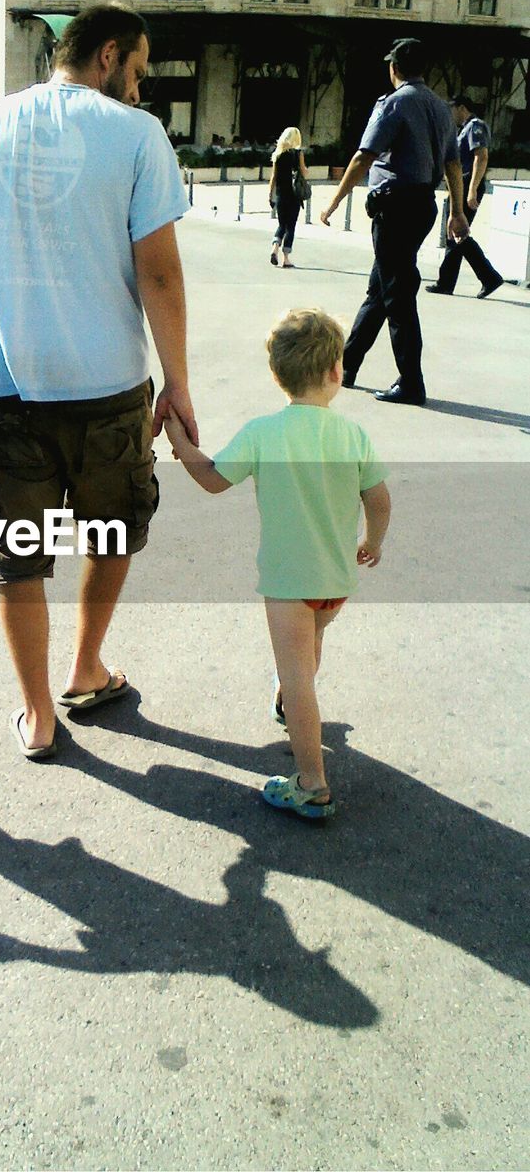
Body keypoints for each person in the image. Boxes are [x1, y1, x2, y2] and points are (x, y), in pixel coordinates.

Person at [0, 2, 196, 760]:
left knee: (19, 557)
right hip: (109, 390)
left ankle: (37, 713)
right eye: (136, 71)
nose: (139, 88)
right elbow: (159, 275)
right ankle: (85, 667)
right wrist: (179, 384)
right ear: (106, 57)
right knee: (112, 531)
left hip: (10, 392)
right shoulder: (136, 135)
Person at [164, 307, 391, 820]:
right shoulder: (352, 435)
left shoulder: (264, 432)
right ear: (337, 373)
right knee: (311, 645)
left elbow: (213, 479)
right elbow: (378, 499)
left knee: (297, 674)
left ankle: (311, 782)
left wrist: (180, 443)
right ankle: (290, 707)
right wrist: (372, 541)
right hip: (336, 579)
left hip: (290, 583)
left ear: (276, 376)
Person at [320, 38, 469, 406]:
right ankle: (347, 365)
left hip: (395, 208)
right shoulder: (439, 107)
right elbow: (452, 163)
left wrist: (334, 201)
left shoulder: (394, 104)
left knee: (398, 296)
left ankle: (411, 382)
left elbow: (363, 156)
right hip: (422, 206)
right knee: (381, 290)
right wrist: (457, 211)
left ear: (395, 68)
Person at [426, 95, 504, 300]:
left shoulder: (475, 126)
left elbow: (481, 156)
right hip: (461, 185)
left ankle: (487, 277)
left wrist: (472, 190)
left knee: (458, 233)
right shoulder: (464, 129)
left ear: (461, 108)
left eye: (452, 109)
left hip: (469, 184)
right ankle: (461, 281)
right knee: (456, 235)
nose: (451, 114)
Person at [268, 127, 309, 268]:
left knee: (281, 224)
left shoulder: (278, 154)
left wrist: (270, 194)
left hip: (280, 193)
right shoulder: (298, 154)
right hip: (294, 195)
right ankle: (285, 258)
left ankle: (274, 248)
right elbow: (304, 172)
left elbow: (273, 176)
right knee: (290, 226)